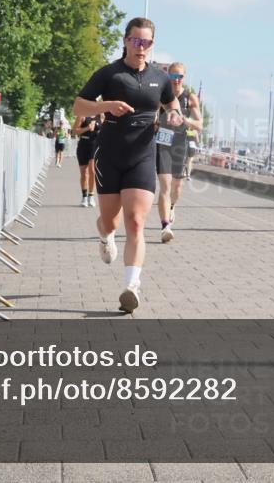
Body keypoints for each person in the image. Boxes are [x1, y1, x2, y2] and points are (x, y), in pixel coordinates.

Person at [72, 17, 183, 313]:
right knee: (111, 221)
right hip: (109, 156)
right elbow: (79, 106)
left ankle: (131, 286)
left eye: (146, 42)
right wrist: (105, 106)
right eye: (136, 41)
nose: (141, 47)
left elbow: (172, 104)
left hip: (142, 157)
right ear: (125, 41)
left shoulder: (160, 78)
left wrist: (173, 114)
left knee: (135, 222)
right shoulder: (109, 74)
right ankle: (105, 236)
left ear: (152, 45)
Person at [155, 63, 203, 242]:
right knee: (165, 186)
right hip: (163, 141)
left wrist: (186, 120)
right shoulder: (162, 96)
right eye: (173, 77)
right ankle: (165, 225)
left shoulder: (190, 98)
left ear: (184, 78)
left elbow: (200, 124)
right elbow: (152, 115)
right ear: (168, 77)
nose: (176, 80)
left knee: (177, 188)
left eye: (179, 77)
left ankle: (172, 206)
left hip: (180, 143)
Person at [74, 113, 101, 207]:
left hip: (94, 146)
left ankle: (91, 195)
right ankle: (84, 197)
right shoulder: (82, 115)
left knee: (92, 171)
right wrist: (87, 128)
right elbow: (75, 131)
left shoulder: (101, 115)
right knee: (84, 174)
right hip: (83, 146)